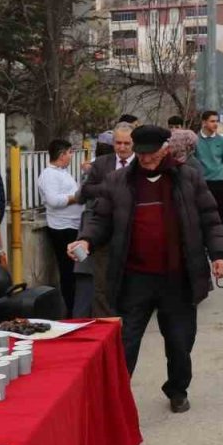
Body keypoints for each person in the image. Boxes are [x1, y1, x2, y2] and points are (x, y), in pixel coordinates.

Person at [69, 125, 223, 414]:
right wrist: (86, 239)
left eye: (151, 153)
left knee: (180, 342)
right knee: (126, 342)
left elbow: (210, 217)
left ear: (165, 149)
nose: (146, 159)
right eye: (141, 153)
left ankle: (177, 390)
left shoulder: (188, 177)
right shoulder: (118, 181)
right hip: (135, 278)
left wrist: (219, 254)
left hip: (178, 278)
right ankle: (116, 399)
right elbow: (100, 218)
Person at [77, 123, 135, 316]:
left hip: (132, 236)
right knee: (101, 286)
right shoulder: (102, 163)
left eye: (127, 143)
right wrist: (111, 189)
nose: (122, 147)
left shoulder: (141, 164)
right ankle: (104, 326)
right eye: (118, 143)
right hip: (104, 234)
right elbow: (86, 190)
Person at [38, 139, 90, 318]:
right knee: (68, 270)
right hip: (63, 229)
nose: (71, 156)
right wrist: (76, 197)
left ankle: (78, 306)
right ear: (61, 155)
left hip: (74, 226)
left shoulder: (62, 173)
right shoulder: (49, 175)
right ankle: (71, 309)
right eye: (69, 153)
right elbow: (54, 200)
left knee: (78, 268)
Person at [196, 111, 223, 260]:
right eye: (212, 121)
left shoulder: (222, 141)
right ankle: (204, 247)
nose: (215, 124)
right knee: (201, 217)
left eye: (216, 121)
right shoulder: (195, 141)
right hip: (202, 184)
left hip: (219, 184)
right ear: (204, 122)